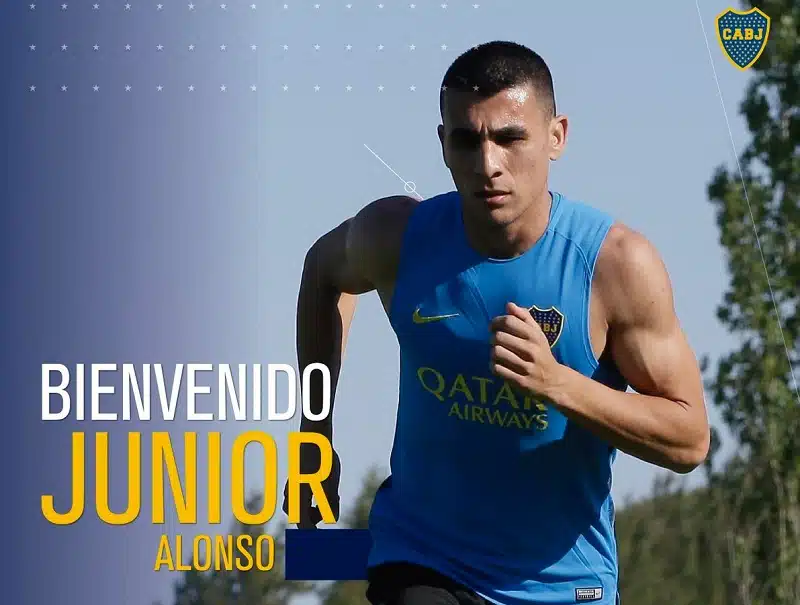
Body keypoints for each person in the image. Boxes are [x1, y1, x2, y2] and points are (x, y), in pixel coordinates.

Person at [283, 40, 710, 605]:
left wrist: (560, 385)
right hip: (424, 560)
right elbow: (322, 275)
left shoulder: (615, 267)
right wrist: (315, 435)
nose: (489, 165)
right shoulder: (399, 237)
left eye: (510, 138)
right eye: (467, 140)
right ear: (443, 144)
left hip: (564, 584)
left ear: (556, 136)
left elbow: (688, 439)